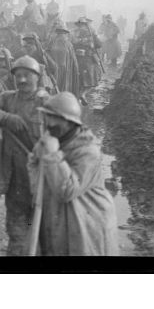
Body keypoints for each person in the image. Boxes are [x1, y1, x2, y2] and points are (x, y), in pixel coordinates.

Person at [0, 56, 49, 255]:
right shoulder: (8, 98)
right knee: (16, 228)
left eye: (27, 75)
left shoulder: (47, 102)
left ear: (37, 77)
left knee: (36, 225)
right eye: (18, 76)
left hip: (39, 180)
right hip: (14, 177)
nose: (22, 80)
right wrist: (5, 117)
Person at [27, 92, 119, 255]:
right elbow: (34, 166)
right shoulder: (53, 138)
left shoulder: (88, 151)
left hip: (87, 218)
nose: (49, 123)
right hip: (57, 213)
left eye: (54, 117)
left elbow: (67, 191)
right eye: (47, 117)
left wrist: (51, 155)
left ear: (69, 122)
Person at [72, 17, 101, 104]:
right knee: (92, 78)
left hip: (77, 58)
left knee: (79, 79)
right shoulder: (91, 32)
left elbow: (72, 44)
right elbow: (98, 44)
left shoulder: (74, 32)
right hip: (88, 58)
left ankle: (78, 96)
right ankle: (82, 94)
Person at [47, 23, 80, 96]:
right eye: (60, 33)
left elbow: (47, 53)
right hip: (62, 68)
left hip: (57, 68)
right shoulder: (67, 43)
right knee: (61, 85)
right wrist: (76, 69)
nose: (61, 35)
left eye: (62, 33)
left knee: (57, 85)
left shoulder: (53, 42)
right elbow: (73, 58)